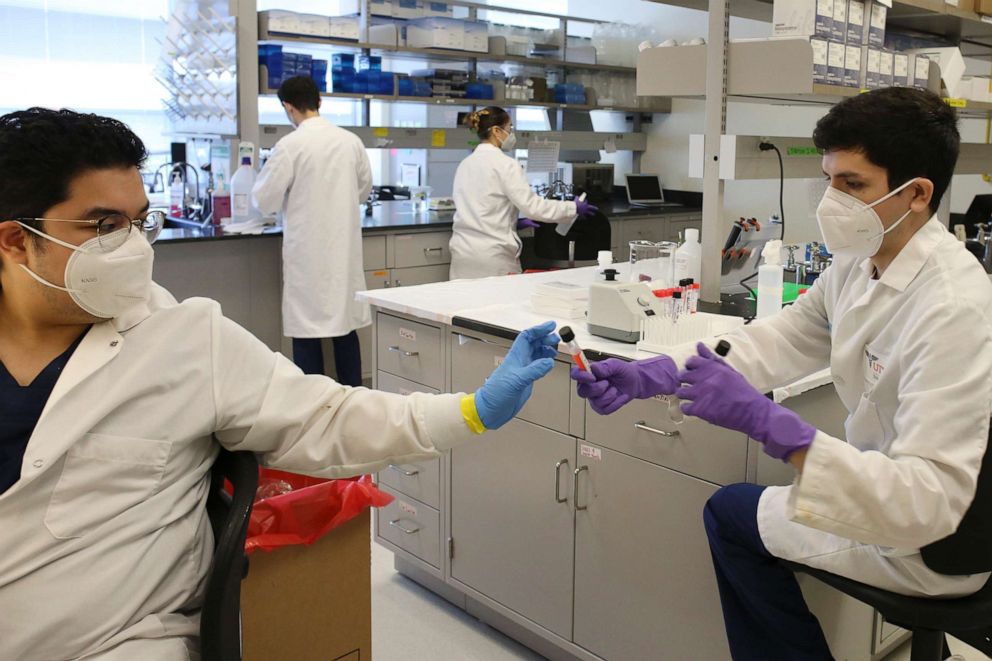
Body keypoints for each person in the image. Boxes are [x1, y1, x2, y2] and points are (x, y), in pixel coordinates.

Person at [0, 107, 559, 661]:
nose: (134, 247)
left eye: (139, 221)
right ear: (16, 241)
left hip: (112, 646)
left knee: (331, 339)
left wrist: (473, 409)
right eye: (103, 227)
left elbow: (327, 416)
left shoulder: (186, 339)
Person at [572, 87, 992, 660]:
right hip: (887, 495)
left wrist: (779, 430)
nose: (831, 200)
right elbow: (789, 334)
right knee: (741, 508)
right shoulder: (859, 261)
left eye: (853, 184)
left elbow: (927, 503)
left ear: (917, 194)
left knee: (730, 514)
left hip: (931, 542)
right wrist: (661, 372)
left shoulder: (953, 305)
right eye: (828, 179)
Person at [252, 75, 371, 386]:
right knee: (345, 329)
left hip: (307, 256)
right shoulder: (350, 141)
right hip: (342, 253)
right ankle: (355, 402)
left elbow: (263, 199)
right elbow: (363, 189)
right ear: (319, 102)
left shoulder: (291, 145)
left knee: (306, 333)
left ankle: (313, 408)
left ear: (288, 108)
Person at [449, 106, 599, 279]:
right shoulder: (506, 164)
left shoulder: (465, 164)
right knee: (499, 305)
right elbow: (533, 207)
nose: (512, 133)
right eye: (510, 128)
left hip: (463, 254)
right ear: (497, 131)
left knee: (465, 304)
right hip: (493, 256)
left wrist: (513, 222)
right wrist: (573, 208)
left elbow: (478, 207)